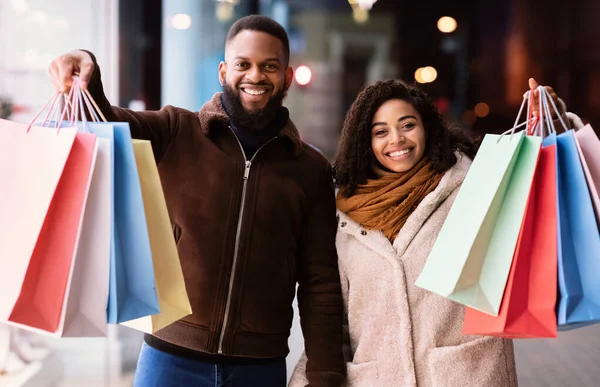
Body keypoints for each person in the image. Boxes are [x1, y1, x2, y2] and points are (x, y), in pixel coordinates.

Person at [48, 15, 345, 387]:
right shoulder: (176, 130)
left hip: (260, 368)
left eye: (269, 66)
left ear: (286, 76)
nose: (255, 75)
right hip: (168, 361)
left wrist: (325, 375)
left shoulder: (311, 169)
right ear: (223, 71)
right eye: (243, 64)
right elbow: (106, 123)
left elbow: (319, 282)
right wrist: (85, 67)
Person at [289, 78, 583, 386]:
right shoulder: (344, 215)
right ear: (366, 141)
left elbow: (548, 197)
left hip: (468, 375)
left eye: (407, 125)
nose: (396, 140)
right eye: (380, 132)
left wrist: (553, 125)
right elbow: (334, 320)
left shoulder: (472, 185)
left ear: (426, 127)